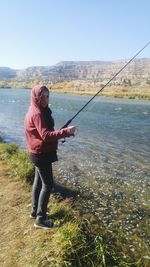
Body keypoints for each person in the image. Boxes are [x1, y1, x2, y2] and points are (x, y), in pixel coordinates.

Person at [24, 85, 75, 229]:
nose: (46, 99)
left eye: (47, 96)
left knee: (38, 183)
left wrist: (61, 133)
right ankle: (40, 219)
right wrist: (65, 132)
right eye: (43, 96)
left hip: (36, 153)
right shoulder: (38, 114)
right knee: (48, 185)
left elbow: (42, 134)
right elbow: (46, 136)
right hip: (41, 155)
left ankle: (35, 211)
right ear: (36, 97)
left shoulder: (33, 110)